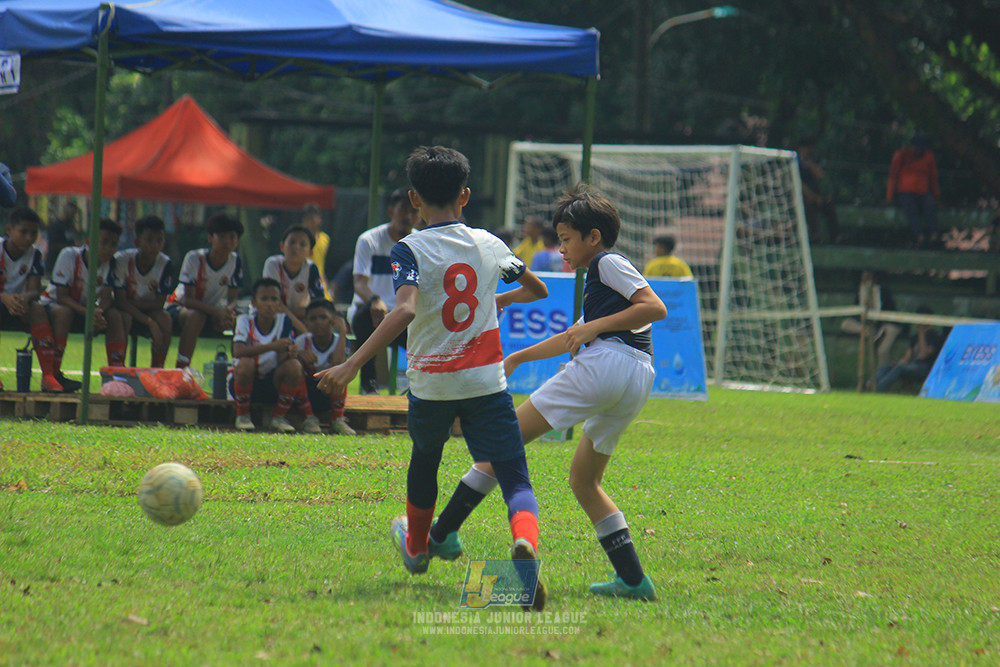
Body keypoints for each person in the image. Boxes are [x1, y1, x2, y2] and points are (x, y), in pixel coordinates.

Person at [317, 146, 550, 610]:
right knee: (515, 477)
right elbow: (536, 288)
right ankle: (524, 543)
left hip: (432, 385)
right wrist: (496, 301)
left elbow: (403, 308)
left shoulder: (410, 248)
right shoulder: (490, 244)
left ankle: (419, 548)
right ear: (465, 195)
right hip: (485, 382)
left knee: (425, 461)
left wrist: (351, 365)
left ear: (414, 198)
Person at [478, 184, 668, 601]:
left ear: (593, 237)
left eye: (565, 240)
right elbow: (573, 335)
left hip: (610, 366)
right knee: (585, 481)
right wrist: (518, 358)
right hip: (636, 377)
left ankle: (439, 534)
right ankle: (635, 581)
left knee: (500, 442)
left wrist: (595, 328)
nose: (560, 249)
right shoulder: (602, 286)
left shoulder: (607, 263)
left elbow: (655, 306)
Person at [41, 217, 128, 387]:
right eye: (104, 242)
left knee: (116, 315)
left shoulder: (112, 264)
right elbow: (61, 296)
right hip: (54, 305)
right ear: (89, 241)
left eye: (113, 244)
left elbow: (107, 296)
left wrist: (98, 313)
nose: (109, 248)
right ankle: (53, 374)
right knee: (63, 313)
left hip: (84, 310)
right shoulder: (69, 255)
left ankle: (117, 375)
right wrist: (90, 313)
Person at [348, 188, 418, 394]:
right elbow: (359, 283)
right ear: (390, 211)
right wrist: (375, 300)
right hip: (373, 315)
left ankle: (418, 386)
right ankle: (368, 386)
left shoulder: (420, 244)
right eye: (403, 210)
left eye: (413, 212)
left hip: (403, 316)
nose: (408, 217)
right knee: (364, 316)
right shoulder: (369, 240)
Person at [231, 277, 320, 434]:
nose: (269, 304)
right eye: (264, 299)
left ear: (280, 303)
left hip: (272, 381)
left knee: (294, 366)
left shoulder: (284, 321)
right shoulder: (244, 320)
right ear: (254, 302)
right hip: (243, 380)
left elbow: (281, 359)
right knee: (246, 363)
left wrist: (291, 353)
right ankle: (243, 415)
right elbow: (237, 351)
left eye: (274, 299)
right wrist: (272, 346)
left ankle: (278, 417)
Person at [166, 212, 245, 369]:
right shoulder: (194, 258)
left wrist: (228, 313)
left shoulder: (235, 261)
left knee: (241, 320)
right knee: (197, 316)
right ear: (210, 238)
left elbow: (233, 300)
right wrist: (217, 312)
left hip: (211, 312)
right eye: (222, 237)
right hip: (179, 308)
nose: (227, 242)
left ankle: (238, 370)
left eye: (232, 237)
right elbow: (187, 300)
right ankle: (182, 369)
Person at [0, 207, 63, 392]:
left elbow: (35, 290)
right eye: (23, 232)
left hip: (19, 305)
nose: (29, 238)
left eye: (33, 233)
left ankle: (48, 376)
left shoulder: (34, 255)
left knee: (37, 309)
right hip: (3, 301)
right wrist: (5, 298)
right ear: (10, 230)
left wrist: (21, 298)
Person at [113, 215, 174, 368]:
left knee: (165, 319)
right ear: (137, 242)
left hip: (147, 309)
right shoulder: (121, 260)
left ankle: (157, 369)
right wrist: (149, 322)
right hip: (124, 310)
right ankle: (118, 368)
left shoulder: (165, 264)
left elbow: (159, 303)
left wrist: (137, 308)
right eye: (149, 240)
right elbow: (120, 301)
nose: (155, 245)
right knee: (124, 317)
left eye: (159, 240)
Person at [298, 299, 356, 435]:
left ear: (333, 321)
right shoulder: (302, 341)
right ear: (306, 323)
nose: (318, 322)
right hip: (306, 392)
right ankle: (309, 418)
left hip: (329, 391)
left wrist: (342, 331)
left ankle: (338, 420)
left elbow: (339, 363)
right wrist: (300, 355)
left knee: (340, 373)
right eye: (313, 318)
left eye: (323, 317)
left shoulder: (340, 341)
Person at [839, 270, 903, 368]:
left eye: (868, 277)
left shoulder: (883, 291)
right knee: (846, 324)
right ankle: (871, 332)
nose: (866, 280)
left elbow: (887, 311)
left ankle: (881, 377)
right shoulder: (860, 291)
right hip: (869, 326)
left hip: (888, 325)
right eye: (864, 278)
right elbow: (858, 311)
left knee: (883, 350)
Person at [886, 133, 941, 246]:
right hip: (905, 191)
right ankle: (919, 235)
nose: (918, 151)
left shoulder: (928, 157)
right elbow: (893, 176)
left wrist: (937, 196)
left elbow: (933, 178)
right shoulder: (901, 155)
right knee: (911, 209)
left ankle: (934, 234)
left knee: (930, 206)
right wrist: (889, 197)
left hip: (923, 192)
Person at [262, 224, 325, 321]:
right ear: (282, 246)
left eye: (302, 245)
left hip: (299, 318)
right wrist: (301, 312)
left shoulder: (311, 268)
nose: (296, 247)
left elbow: (318, 305)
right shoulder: (272, 264)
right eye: (292, 242)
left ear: (310, 253)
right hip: (271, 318)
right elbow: (271, 303)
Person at [873, 306, 943, 393]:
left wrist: (922, 334)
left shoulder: (934, 335)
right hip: (911, 365)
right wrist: (899, 363)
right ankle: (871, 384)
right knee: (886, 367)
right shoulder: (914, 337)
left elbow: (924, 355)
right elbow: (907, 356)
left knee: (900, 368)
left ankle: (878, 389)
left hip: (924, 367)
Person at [796, 142, 841, 244]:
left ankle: (836, 237)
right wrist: (813, 197)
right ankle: (815, 236)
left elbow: (820, 175)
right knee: (808, 208)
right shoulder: (794, 163)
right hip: (803, 199)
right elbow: (800, 185)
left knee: (829, 205)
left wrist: (809, 162)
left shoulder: (814, 161)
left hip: (817, 198)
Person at [300, 205, 333, 296]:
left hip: (320, 282)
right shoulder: (299, 239)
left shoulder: (325, 238)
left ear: (320, 220)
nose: (311, 221)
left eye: (314, 217)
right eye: (308, 218)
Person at [45, 201, 81, 275]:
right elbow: (53, 245)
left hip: (68, 263)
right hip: (54, 263)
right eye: (71, 214)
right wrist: (71, 245)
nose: (73, 216)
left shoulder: (69, 226)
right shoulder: (56, 226)